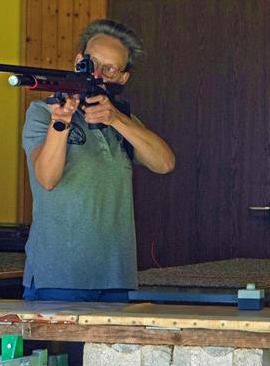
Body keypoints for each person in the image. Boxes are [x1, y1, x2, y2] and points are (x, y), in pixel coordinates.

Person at [22, 19, 175, 301]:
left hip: (115, 277)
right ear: (78, 61)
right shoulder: (42, 113)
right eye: (91, 64)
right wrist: (61, 121)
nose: (97, 74)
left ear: (122, 78)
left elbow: (164, 162)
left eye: (110, 69)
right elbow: (47, 179)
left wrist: (116, 119)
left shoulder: (121, 120)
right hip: (59, 276)